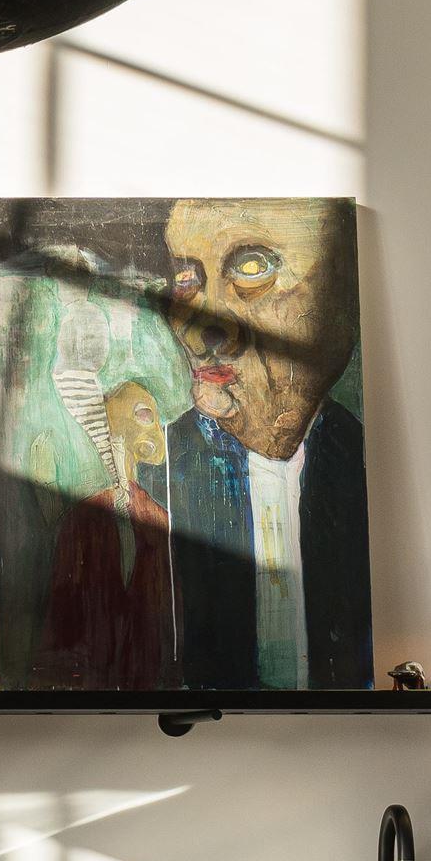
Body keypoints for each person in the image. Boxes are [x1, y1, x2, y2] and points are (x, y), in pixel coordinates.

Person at [157, 200, 372, 690]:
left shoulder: (367, 473)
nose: (198, 329)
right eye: (188, 279)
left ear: (342, 295)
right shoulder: (151, 481)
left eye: (253, 268)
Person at [39, 381, 173, 688]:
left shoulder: (156, 518)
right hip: (89, 677)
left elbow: (166, 612)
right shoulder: (83, 517)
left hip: (145, 675)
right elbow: (62, 613)